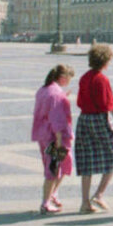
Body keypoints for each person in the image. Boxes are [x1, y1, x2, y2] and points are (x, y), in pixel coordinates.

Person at [75, 43, 113, 212]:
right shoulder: (102, 79)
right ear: (105, 60)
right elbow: (105, 104)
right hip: (99, 119)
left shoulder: (84, 77)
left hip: (84, 119)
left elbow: (79, 101)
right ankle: (99, 194)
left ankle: (84, 203)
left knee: (86, 161)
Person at [31, 63, 75, 215]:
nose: (70, 81)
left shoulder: (44, 90)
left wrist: (63, 98)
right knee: (54, 168)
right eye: (69, 78)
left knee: (59, 165)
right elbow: (57, 119)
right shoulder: (56, 94)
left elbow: (49, 109)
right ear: (62, 77)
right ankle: (46, 202)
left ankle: (52, 194)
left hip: (42, 134)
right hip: (55, 137)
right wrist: (59, 141)